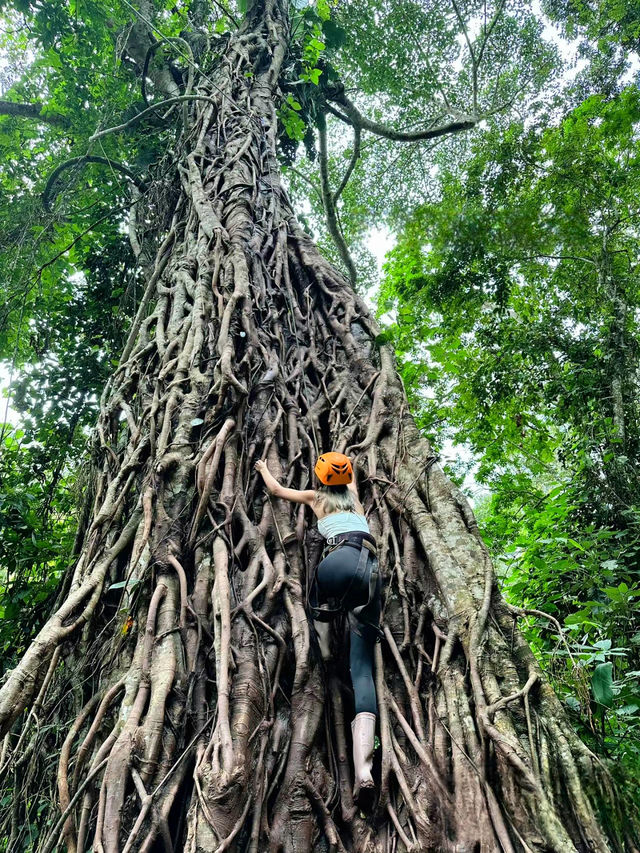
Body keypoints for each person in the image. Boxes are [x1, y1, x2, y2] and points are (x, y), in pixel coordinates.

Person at [254, 451, 381, 809]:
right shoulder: (354, 496)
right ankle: (364, 770)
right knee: (363, 671)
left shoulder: (316, 497)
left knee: (318, 600)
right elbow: (350, 477)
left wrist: (264, 467)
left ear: (322, 481)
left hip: (336, 563)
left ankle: (324, 649)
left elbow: (277, 490)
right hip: (369, 569)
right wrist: (351, 460)